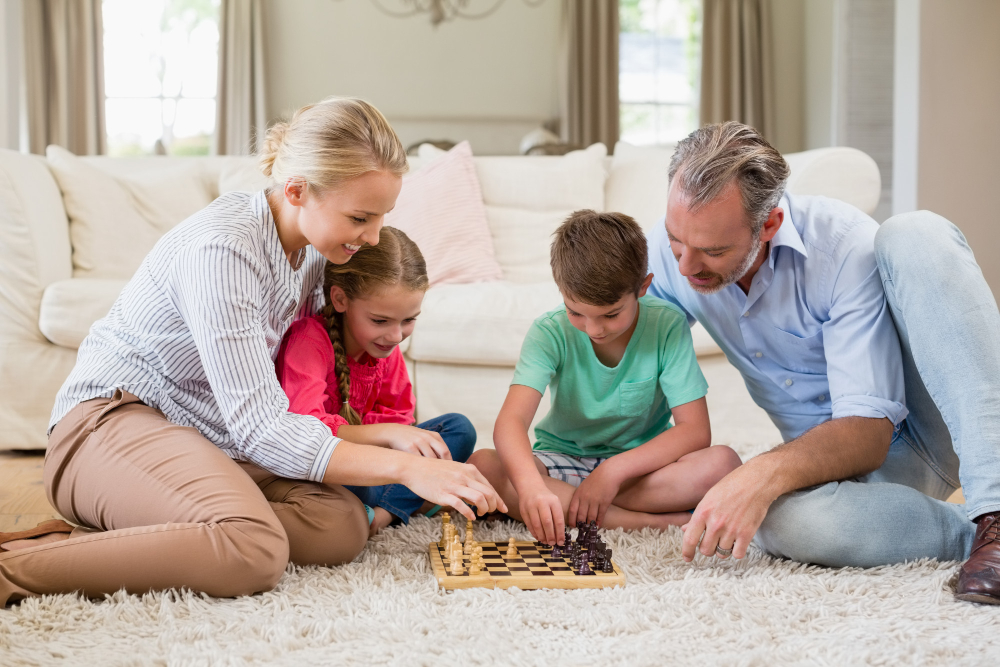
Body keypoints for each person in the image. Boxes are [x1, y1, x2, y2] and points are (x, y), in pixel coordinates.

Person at [0, 97, 504, 607]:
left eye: (381, 217)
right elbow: (261, 426)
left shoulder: (312, 253)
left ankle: (135, 544)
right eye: (359, 217)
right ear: (296, 191)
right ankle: (13, 571)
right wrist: (405, 468)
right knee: (254, 549)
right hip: (108, 424)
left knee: (341, 526)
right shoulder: (224, 249)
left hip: (207, 437)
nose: (372, 237)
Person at [647, 121, 1000, 604]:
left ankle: (996, 514)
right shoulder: (681, 251)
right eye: (675, 240)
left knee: (916, 231)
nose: (685, 267)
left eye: (713, 251)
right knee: (772, 519)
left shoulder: (841, 247)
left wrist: (759, 471)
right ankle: (967, 535)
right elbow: (627, 361)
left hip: (913, 429)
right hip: (831, 465)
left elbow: (866, 436)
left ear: (768, 224)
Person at [470, 210, 741, 546]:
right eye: (575, 312)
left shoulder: (667, 325)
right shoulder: (548, 331)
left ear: (643, 287)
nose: (594, 329)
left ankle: (587, 507)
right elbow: (510, 422)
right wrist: (531, 489)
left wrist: (611, 473)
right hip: (562, 461)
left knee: (723, 463)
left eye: (611, 314)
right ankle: (641, 522)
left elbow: (695, 431)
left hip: (638, 470)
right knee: (483, 465)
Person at [275, 226, 477, 537]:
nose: (396, 336)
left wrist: (399, 440)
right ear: (341, 299)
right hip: (333, 466)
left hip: (381, 468)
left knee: (458, 429)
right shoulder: (309, 341)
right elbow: (305, 429)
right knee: (346, 487)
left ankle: (382, 514)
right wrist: (389, 436)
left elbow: (401, 419)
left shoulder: (384, 348)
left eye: (408, 320)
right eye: (380, 321)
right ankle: (407, 502)